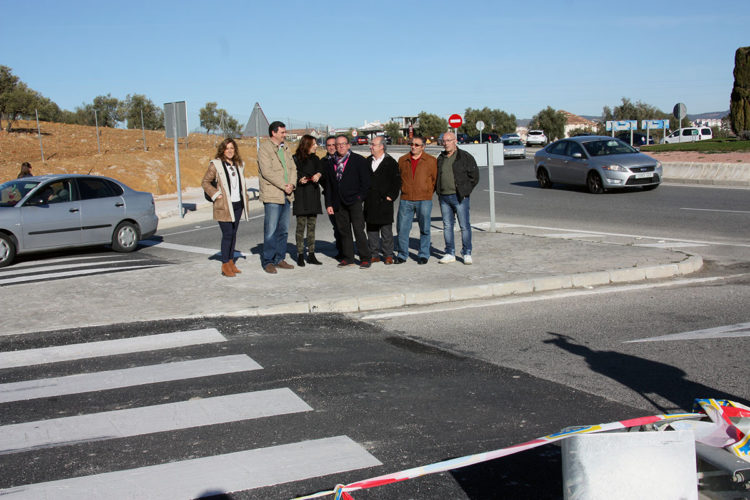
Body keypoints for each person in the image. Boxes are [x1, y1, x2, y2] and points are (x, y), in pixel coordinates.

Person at [201, 138, 251, 277]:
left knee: (233, 234)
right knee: (227, 234)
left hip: (237, 204)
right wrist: (215, 194)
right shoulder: (216, 165)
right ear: (223, 149)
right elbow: (205, 182)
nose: (230, 151)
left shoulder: (238, 164)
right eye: (227, 148)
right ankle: (224, 264)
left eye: (232, 148)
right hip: (224, 205)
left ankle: (230, 262)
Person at [324, 134, 371, 268]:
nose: (340, 146)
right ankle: (348, 257)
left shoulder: (358, 160)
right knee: (343, 231)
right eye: (338, 144)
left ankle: (365, 258)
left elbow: (366, 182)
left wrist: (359, 197)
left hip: (354, 201)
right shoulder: (330, 162)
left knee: (358, 230)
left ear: (348, 145)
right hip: (338, 203)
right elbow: (329, 186)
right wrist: (329, 204)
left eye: (343, 144)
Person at [258, 121, 297, 274]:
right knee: (271, 230)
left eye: (285, 132)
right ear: (273, 133)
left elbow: (293, 168)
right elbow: (267, 172)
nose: (284, 135)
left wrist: (292, 185)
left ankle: (279, 258)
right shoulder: (265, 148)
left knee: (283, 230)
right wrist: (284, 185)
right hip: (273, 194)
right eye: (282, 132)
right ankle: (268, 260)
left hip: (287, 195)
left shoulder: (285, 147)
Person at [436, 131, 480, 265]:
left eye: (449, 140)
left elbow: (474, 176)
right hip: (444, 197)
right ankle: (450, 252)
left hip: (460, 197)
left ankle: (467, 252)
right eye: (444, 141)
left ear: (455, 141)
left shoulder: (464, 157)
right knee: (447, 226)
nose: (446, 143)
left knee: (464, 226)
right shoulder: (441, 157)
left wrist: (465, 191)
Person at [395, 135, 437, 265]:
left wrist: (427, 192)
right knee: (402, 228)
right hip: (406, 199)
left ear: (423, 147)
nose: (413, 147)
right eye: (411, 144)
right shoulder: (402, 160)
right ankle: (402, 254)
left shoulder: (431, 161)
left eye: (416, 145)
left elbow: (434, 180)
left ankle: (424, 254)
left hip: (424, 199)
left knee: (425, 228)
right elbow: (399, 178)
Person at [364, 136, 400, 264]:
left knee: (386, 230)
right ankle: (374, 254)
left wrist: (391, 196)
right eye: (371, 144)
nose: (370, 147)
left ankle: (388, 255)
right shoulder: (367, 161)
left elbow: (396, 182)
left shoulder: (391, 162)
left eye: (373, 144)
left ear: (381, 146)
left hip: (384, 202)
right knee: (372, 230)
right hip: (370, 201)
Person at [292, 134, 323, 266]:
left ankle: (311, 253)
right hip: (301, 196)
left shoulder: (316, 158)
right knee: (300, 227)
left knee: (312, 227)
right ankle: (299, 254)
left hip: (313, 195)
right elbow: (292, 172)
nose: (316, 146)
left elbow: (321, 169)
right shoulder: (295, 158)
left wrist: (318, 174)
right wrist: (299, 178)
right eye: (314, 144)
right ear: (307, 145)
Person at [321, 135, 343, 260]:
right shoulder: (323, 162)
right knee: (336, 225)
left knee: (345, 225)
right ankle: (341, 250)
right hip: (331, 198)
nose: (331, 147)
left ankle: (348, 249)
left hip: (345, 197)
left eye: (333, 145)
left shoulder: (346, 159)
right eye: (328, 145)